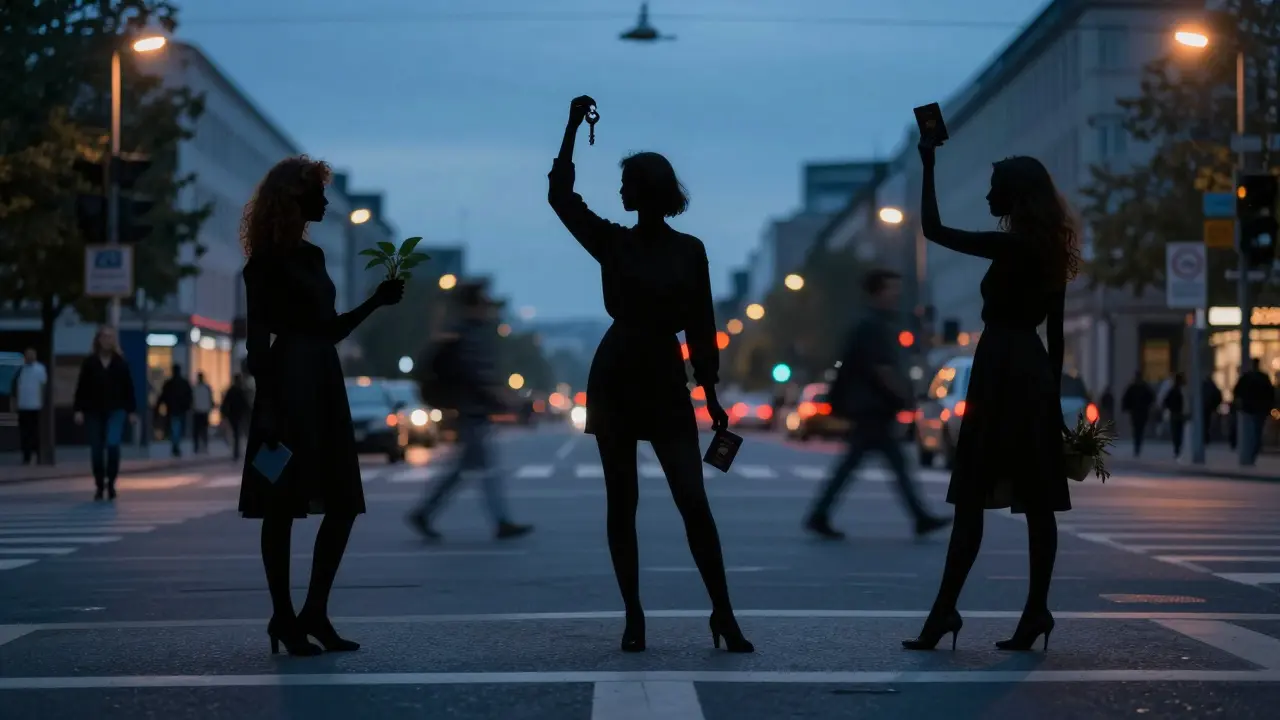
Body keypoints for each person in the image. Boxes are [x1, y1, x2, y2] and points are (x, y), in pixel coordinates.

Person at [547, 95, 753, 654]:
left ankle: (721, 613)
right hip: (626, 374)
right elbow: (560, 197)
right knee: (626, 503)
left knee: (690, 501)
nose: (619, 193)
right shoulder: (633, 243)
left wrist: (710, 393)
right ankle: (637, 616)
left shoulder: (674, 249)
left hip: (655, 375)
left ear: (646, 190)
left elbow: (702, 326)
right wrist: (570, 128)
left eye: (627, 184)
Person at [904, 137, 1077, 653]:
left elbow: (932, 229)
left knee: (972, 497)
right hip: (1031, 375)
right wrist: (1052, 401)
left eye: (994, 189)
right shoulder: (1051, 249)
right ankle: (1035, 611)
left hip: (999, 370)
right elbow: (1059, 336)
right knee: (1038, 501)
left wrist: (929, 162)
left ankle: (944, 613)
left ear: (1016, 196)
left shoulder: (1013, 246)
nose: (987, 198)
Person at [238, 155, 405, 656]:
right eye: (317, 192)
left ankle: (313, 611)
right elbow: (255, 345)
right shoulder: (264, 264)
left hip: (323, 382)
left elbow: (330, 329)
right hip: (288, 387)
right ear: (295, 198)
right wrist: (266, 410)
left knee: (343, 503)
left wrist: (376, 301)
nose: (326, 200)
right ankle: (284, 617)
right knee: (282, 508)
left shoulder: (313, 258)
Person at [806, 269, 950, 539]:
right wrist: (904, 397)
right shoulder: (871, 326)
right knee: (883, 465)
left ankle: (820, 514)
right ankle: (919, 517)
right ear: (877, 292)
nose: (896, 294)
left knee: (863, 465)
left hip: (871, 408)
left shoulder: (872, 323)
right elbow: (881, 369)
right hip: (872, 408)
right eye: (891, 289)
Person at [407, 281, 533, 540]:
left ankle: (425, 512)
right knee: (484, 469)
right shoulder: (470, 334)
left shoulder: (463, 331)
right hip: (471, 410)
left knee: (465, 469)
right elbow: (478, 376)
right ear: (473, 305)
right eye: (484, 302)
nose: (488, 307)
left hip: (470, 409)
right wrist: (510, 402)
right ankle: (500, 521)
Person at [73, 327, 137, 501]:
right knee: (96, 449)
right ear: (98, 340)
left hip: (116, 410)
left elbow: (128, 388)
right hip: (93, 410)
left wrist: (131, 411)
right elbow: (82, 387)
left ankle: (112, 483)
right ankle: (99, 484)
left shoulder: (120, 363)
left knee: (112, 444)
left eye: (110, 337)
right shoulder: (90, 362)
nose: (107, 340)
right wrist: (78, 409)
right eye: (104, 337)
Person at [1232, 358, 1274, 465]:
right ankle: (1252, 453)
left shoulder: (1247, 377)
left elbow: (1237, 392)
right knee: (1256, 432)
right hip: (1258, 409)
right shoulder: (1262, 377)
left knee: (1250, 432)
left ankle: (1250, 453)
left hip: (1250, 409)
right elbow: (1270, 393)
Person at [11, 348, 47, 465]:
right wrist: (14, 403)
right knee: (24, 432)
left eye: (32, 355)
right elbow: (15, 387)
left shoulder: (40, 369)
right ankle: (26, 456)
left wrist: (42, 402)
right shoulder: (20, 369)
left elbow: (43, 386)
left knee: (36, 432)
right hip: (23, 405)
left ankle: (37, 454)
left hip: (36, 405)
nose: (29, 357)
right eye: (28, 355)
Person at [157, 365, 192, 457]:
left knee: (174, 426)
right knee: (178, 426)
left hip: (172, 408)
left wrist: (159, 406)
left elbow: (163, 396)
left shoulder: (169, 384)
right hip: (180, 409)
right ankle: (176, 444)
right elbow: (189, 396)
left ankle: (175, 444)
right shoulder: (184, 383)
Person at [1120, 373, 1154, 457]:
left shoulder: (1137, 387)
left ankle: (1137, 445)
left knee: (1138, 429)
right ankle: (1137, 445)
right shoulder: (1139, 387)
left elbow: (1126, 398)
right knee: (1138, 429)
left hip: (1139, 412)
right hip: (1138, 412)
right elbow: (1126, 398)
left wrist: (1126, 407)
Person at [221, 374, 250, 460]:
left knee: (236, 433)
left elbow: (226, 403)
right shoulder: (241, 391)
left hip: (233, 414)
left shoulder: (231, 390)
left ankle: (236, 452)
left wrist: (224, 413)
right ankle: (237, 452)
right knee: (241, 433)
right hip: (240, 414)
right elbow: (245, 403)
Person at [1163, 373, 1186, 458]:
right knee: (1178, 432)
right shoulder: (1177, 391)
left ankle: (1177, 448)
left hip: (1176, 413)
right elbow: (1166, 401)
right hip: (1177, 413)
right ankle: (1177, 448)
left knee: (1177, 432)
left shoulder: (1176, 390)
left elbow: (1166, 401)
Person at [192, 372, 214, 453]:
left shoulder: (195, 388)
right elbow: (210, 399)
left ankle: (198, 447)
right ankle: (203, 445)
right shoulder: (206, 388)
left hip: (199, 411)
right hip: (203, 411)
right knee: (203, 430)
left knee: (198, 431)